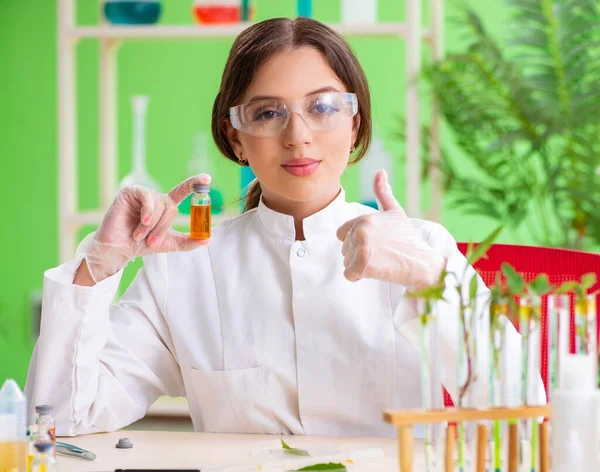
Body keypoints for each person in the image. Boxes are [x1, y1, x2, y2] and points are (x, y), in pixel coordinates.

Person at [25, 17, 539, 438]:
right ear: (237, 138)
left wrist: (433, 283)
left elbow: (524, 419)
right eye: (268, 113)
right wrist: (99, 263)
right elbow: (62, 420)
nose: (298, 136)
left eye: (322, 107)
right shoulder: (185, 268)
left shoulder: (422, 247)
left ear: (355, 124)